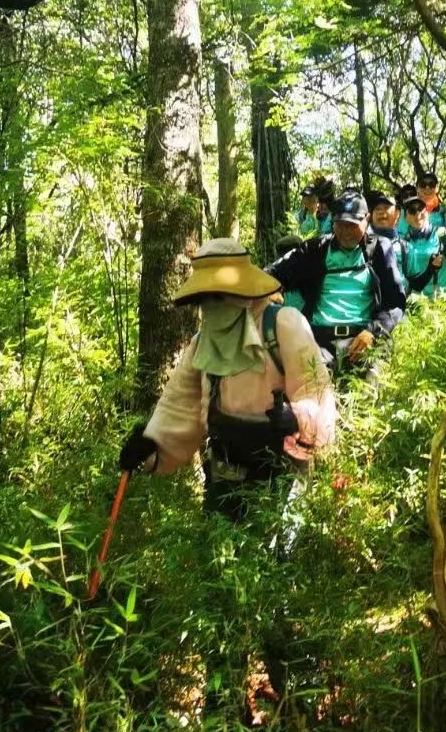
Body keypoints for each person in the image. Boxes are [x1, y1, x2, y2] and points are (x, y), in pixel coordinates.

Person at [118, 238, 335, 516]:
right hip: (225, 479)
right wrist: (149, 446)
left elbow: (315, 391)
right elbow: (179, 406)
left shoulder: (283, 325)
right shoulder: (202, 344)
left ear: (243, 291)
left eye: (219, 295)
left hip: (282, 476)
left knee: (279, 557)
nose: (212, 306)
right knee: (221, 556)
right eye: (205, 298)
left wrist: (297, 418)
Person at [266, 192, 407, 372]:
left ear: (367, 219)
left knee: (371, 385)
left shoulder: (379, 249)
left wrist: (374, 331)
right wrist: (271, 288)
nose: (346, 232)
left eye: (352, 225)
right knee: (309, 384)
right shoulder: (316, 248)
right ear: (332, 221)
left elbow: (395, 303)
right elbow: (273, 271)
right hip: (319, 341)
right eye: (340, 225)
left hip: (363, 338)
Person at [398, 184, 446, 298]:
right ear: (406, 217)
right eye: (412, 211)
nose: (418, 214)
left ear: (427, 212)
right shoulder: (404, 243)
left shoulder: (441, 233)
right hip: (420, 302)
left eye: (420, 209)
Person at [368, 189, 403, 261]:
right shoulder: (363, 244)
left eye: (386, 207)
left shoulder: (406, 246)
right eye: (377, 209)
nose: (381, 212)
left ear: (397, 213)